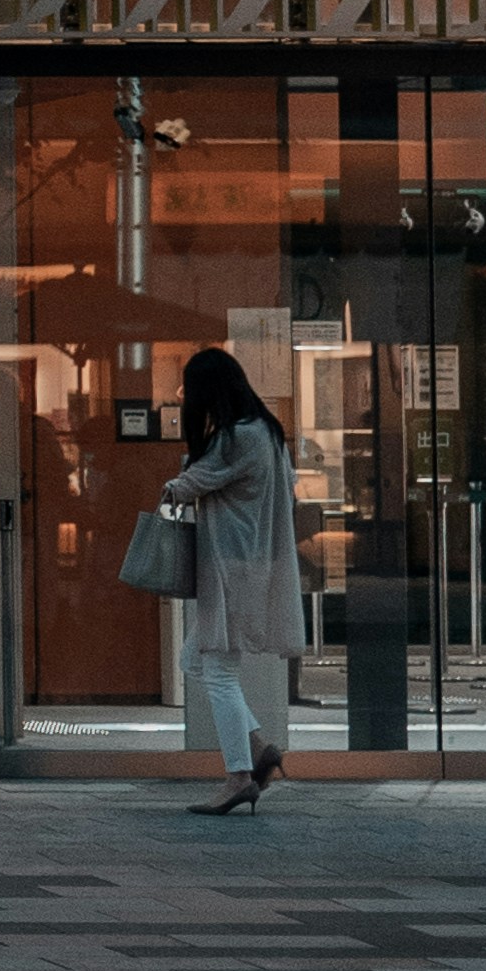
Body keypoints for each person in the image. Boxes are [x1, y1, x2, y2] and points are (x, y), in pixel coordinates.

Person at [165, 343, 307, 813]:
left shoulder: (236, 437)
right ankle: (260, 747)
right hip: (254, 563)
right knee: (195, 661)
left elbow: (188, 485)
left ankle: (238, 774)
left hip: (231, 567)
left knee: (219, 671)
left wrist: (177, 476)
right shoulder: (268, 432)